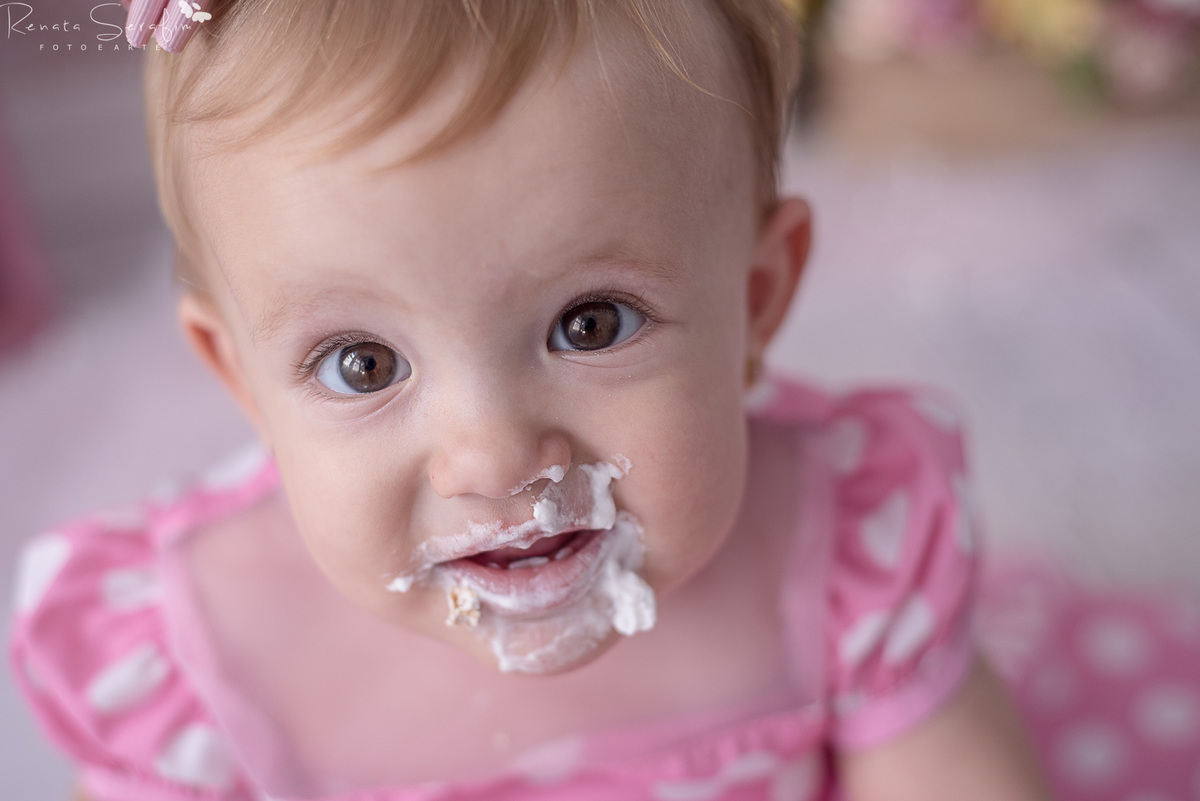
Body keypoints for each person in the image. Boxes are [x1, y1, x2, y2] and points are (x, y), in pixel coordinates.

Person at [10, 1, 1058, 799]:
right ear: (241, 379)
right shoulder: (199, 667)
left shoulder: (849, 545)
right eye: (364, 365)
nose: (495, 456)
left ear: (755, 298)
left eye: (591, 323)